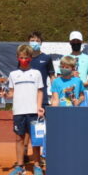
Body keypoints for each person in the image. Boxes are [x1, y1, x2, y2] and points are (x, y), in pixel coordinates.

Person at [2, 45, 44, 175]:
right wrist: (4, 95)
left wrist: (39, 107)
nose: (24, 59)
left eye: (26, 57)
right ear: (17, 58)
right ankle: (20, 166)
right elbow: (11, 93)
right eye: (21, 57)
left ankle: (37, 165)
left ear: (30, 58)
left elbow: (40, 91)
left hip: (33, 111)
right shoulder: (13, 74)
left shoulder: (36, 73)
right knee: (19, 138)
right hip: (18, 111)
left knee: (35, 140)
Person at [27, 31, 54, 161]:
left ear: (41, 43)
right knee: (26, 125)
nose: (35, 43)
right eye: (32, 40)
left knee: (42, 126)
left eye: (37, 40)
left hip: (41, 96)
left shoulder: (47, 58)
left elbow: (52, 76)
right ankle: (25, 154)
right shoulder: (25, 59)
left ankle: (44, 155)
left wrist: (55, 92)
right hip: (27, 97)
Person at [68, 31, 88, 106]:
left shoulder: (87, 58)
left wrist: (82, 84)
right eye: (73, 41)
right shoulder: (65, 58)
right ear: (70, 42)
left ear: (81, 42)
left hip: (83, 93)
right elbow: (59, 76)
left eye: (78, 41)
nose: (75, 43)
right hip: (68, 92)